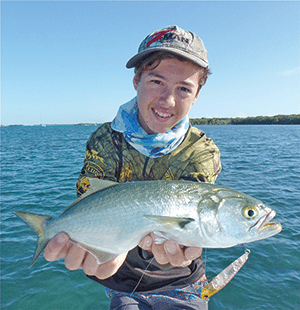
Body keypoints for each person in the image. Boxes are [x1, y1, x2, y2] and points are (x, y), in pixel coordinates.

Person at [44, 25, 222, 309]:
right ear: (136, 81)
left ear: (197, 94)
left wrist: (187, 245)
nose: (168, 100)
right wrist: (104, 250)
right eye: (156, 81)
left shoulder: (201, 151)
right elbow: (94, 201)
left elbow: (192, 223)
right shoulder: (105, 140)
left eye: (184, 88)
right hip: (119, 278)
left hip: (183, 281)